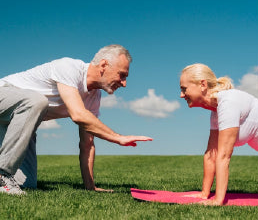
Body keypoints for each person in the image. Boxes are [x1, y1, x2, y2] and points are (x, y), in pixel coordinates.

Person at [0, 44, 153, 195]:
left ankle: (5, 177)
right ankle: (2, 174)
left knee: (27, 185)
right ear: (104, 65)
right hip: (4, 96)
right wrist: (118, 138)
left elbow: (87, 144)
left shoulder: (93, 97)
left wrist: (90, 186)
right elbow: (78, 115)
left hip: (16, 126)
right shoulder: (69, 68)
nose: (124, 83)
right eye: (122, 75)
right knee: (37, 101)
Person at [180, 63, 258, 206]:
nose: (181, 95)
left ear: (203, 84)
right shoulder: (216, 111)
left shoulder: (228, 103)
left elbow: (223, 156)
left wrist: (218, 200)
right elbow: (211, 154)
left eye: (184, 89)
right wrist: (204, 194)